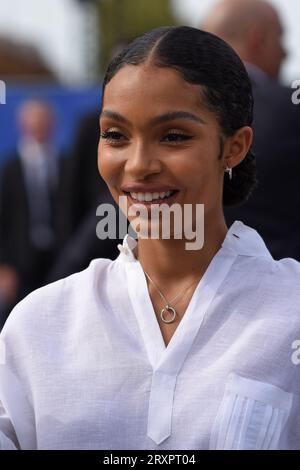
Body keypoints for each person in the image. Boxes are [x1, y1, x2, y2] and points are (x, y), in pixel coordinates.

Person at [0, 26, 299, 450]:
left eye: (174, 136)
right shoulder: (40, 323)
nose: (138, 165)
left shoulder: (290, 312)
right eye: (116, 135)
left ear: (233, 147)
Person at [202, 0, 300, 261]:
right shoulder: (290, 109)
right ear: (259, 39)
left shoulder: (156, 120)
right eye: (281, 38)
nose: (285, 53)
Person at [0, 99, 67, 323]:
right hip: (21, 260)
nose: (39, 127)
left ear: (52, 124)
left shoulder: (63, 163)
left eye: (43, 121)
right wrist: (5, 266)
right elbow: (4, 218)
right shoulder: (11, 167)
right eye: (34, 122)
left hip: (58, 256)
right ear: (23, 125)